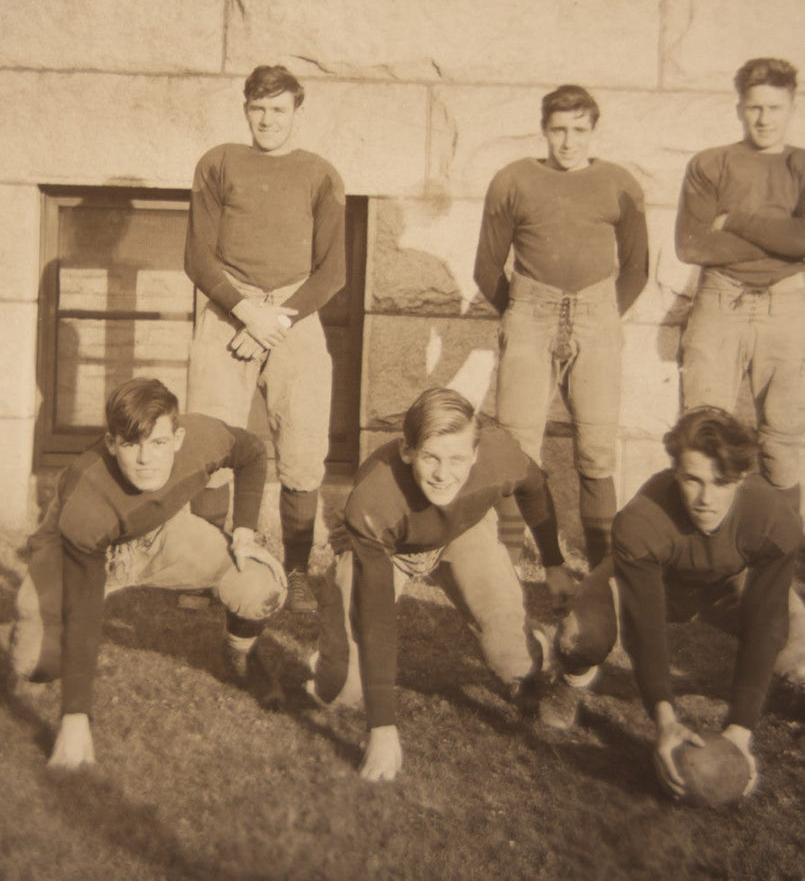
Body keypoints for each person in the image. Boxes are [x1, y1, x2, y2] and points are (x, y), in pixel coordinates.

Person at [7, 378, 289, 769]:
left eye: (157, 443)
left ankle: (240, 656)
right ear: (110, 443)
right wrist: (76, 716)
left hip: (161, 534)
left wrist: (244, 532)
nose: (145, 459)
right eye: (130, 444)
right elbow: (85, 612)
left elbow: (252, 452)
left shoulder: (203, 439)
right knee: (35, 664)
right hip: (78, 549)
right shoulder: (87, 498)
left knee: (261, 587)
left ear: (177, 438)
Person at [308, 387, 574, 782]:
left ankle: (536, 647)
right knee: (341, 691)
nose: (443, 473)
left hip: (462, 530)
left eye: (457, 459)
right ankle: (329, 651)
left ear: (477, 454)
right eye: (431, 457)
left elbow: (534, 487)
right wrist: (382, 728)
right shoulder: (375, 500)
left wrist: (553, 565)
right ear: (407, 450)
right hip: (391, 547)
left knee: (516, 662)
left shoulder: (499, 455)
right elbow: (377, 616)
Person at [542, 406, 805, 799]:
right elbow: (644, 629)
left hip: (725, 583)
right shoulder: (642, 519)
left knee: (796, 644)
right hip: (652, 582)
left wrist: (739, 730)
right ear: (675, 471)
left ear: (742, 477)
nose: (705, 499)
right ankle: (570, 681)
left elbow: (766, 625)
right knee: (581, 636)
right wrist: (664, 719)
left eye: (721, 482)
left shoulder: (772, 518)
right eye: (692, 480)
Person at [184, 64, 349, 614]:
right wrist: (246, 311)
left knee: (302, 450)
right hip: (230, 309)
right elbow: (197, 257)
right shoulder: (218, 163)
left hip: (295, 316)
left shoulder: (320, 174)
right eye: (259, 107)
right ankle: (206, 568)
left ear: (297, 112)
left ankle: (298, 571)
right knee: (211, 441)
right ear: (245, 108)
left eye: (279, 109)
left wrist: (274, 321)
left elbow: (333, 273)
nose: (268, 119)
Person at [474, 84, 649, 567]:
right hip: (531, 312)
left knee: (595, 451)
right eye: (558, 130)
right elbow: (487, 268)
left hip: (597, 318)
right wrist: (522, 312)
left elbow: (637, 268)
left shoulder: (619, 183)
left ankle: (601, 571)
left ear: (594, 130)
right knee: (514, 451)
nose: (568, 142)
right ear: (544, 130)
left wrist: (603, 314)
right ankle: (516, 562)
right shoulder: (514, 179)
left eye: (579, 130)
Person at [677, 58, 805, 507]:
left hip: (788, 306)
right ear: (739, 108)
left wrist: (734, 221)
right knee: (703, 429)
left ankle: (784, 557)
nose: (764, 118)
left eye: (774, 107)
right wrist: (785, 242)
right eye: (754, 107)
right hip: (721, 300)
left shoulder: (801, 165)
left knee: (785, 437)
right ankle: (708, 560)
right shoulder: (711, 163)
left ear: (792, 107)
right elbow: (693, 246)